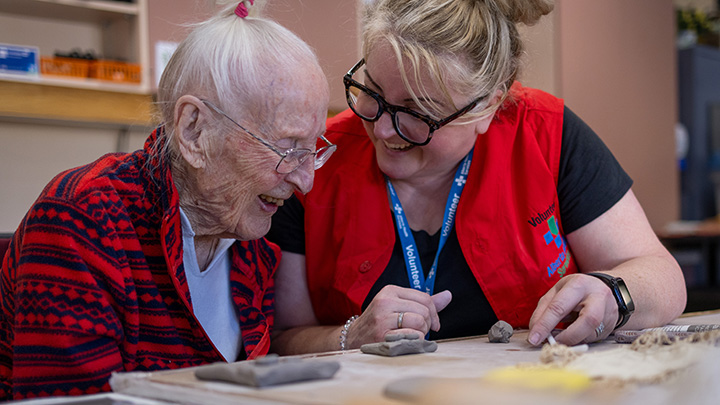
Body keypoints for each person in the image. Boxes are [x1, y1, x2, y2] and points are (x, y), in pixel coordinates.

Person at [266, 0, 686, 355]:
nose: (382, 130)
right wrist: (349, 336)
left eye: (417, 114)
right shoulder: (318, 158)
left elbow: (662, 277)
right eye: (371, 93)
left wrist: (613, 295)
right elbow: (280, 337)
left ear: (490, 104)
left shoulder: (544, 133)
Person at [0, 0, 332, 399]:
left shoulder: (254, 244)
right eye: (287, 148)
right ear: (194, 131)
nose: (306, 181)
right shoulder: (82, 221)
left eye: (312, 149)